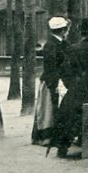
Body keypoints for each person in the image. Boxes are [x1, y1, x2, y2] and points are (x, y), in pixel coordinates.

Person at [51, 17, 88, 159]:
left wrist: (73, 86)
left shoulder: (72, 49)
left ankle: (62, 148)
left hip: (78, 89)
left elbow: (64, 71)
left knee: (68, 115)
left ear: (82, 33)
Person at [32, 16, 71, 146]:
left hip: (60, 80)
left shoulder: (62, 43)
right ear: (63, 30)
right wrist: (54, 82)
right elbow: (50, 67)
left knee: (55, 108)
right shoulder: (51, 45)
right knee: (47, 109)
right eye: (66, 29)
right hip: (51, 81)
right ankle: (45, 137)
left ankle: (55, 136)